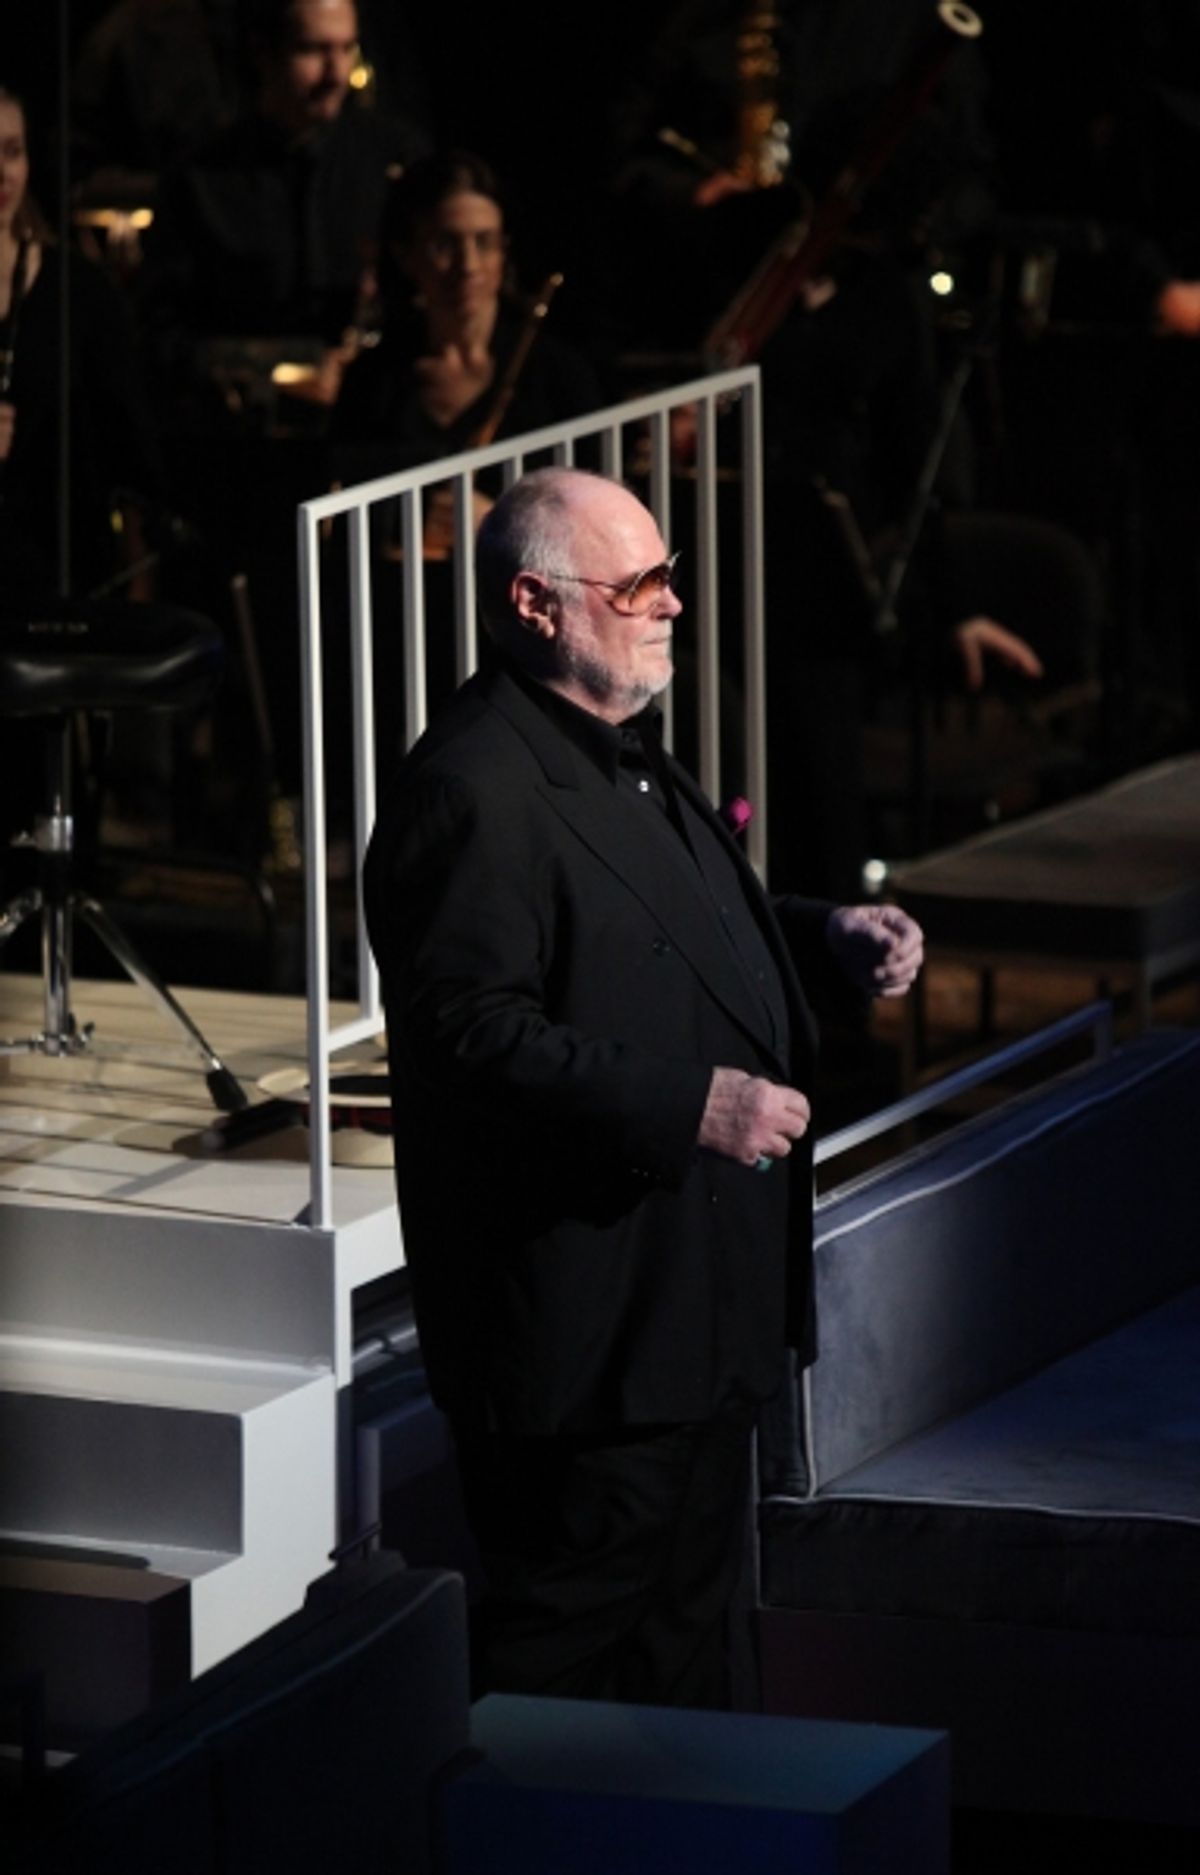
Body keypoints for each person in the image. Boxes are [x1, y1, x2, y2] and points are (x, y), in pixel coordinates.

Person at [363, 465, 923, 1709]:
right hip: (588, 1356)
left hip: (691, 1327)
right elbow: (469, 1038)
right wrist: (696, 1106)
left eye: (671, 577)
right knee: (567, 1678)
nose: (674, 605)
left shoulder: (614, 756)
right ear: (537, 603)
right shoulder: (472, 789)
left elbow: (662, 937)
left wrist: (821, 936)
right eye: (643, 583)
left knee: (689, 1665)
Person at [138, 0, 429, 409]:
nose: (337, 74)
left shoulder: (396, 155)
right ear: (263, 54)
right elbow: (158, 336)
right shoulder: (198, 179)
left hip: (376, 426)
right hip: (241, 437)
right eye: (314, 50)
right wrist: (276, 368)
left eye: (347, 49)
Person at [330, 149, 604, 481]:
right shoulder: (371, 381)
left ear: (504, 252)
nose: (469, 266)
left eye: (485, 243)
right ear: (405, 255)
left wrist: (495, 518)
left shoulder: (560, 375)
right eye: (445, 245)